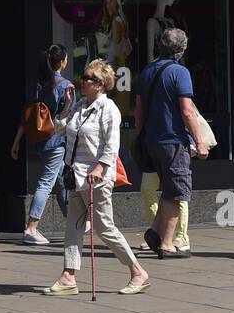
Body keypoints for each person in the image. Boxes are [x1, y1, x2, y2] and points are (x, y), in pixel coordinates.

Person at [43, 60, 150, 296]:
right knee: (73, 227)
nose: (83, 80)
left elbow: (112, 146)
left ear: (100, 84)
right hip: (75, 176)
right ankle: (68, 276)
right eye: (83, 76)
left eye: (88, 77)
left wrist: (100, 168)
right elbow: (59, 129)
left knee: (104, 227)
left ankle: (137, 271)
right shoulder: (80, 105)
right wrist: (67, 106)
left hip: (96, 180)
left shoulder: (108, 108)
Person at [135, 28, 209, 259]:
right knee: (177, 192)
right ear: (182, 48)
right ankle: (167, 244)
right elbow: (187, 111)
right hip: (173, 140)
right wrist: (200, 142)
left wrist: (142, 136)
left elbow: (138, 109)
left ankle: (156, 232)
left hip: (151, 140)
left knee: (168, 189)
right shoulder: (180, 72)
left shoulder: (148, 70)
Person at [10, 44, 74, 245]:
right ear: (62, 62)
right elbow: (65, 119)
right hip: (56, 141)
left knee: (61, 178)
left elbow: (27, 115)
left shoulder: (39, 83)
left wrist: (17, 141)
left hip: (40, 140)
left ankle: (75, 221)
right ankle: (31, 228)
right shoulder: (65, 86)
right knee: (47, 182)